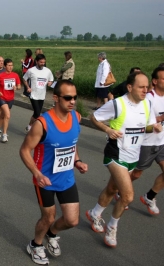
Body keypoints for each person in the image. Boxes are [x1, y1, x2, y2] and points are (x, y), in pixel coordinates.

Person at [86, 72, 161, 247]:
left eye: (147, 87)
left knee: (112, 188)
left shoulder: (147, 103)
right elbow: (94, 118)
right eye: (141, 87)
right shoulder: (117, 104)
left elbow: (146, 128)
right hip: (115, 154)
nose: (146, 90)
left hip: (133, 155)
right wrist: (107, 130)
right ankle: (112, 228)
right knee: (127, 196)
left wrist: (154, 128)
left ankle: (94, 213)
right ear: (129, 87)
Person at [20, 80, 88, 265]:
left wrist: (78, 161)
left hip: (66, 178)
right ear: (56, 98)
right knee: (48, 216)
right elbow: (24, 150)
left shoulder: (77, 118)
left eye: (74, 97)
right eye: (68, 98)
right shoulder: (42, 124)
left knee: (72, 220)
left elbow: (72, 144)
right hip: (45, 180)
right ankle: (35, 244)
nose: (72, 101)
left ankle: (52, 233)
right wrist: (37, 173)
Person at [128, 67, 164, 215]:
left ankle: (149, 196)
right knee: (136, 174)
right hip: (146, 143)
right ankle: (120, 189)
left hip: (161, 142)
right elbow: (139, 119)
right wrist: (160, 119)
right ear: (155, 81)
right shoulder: (148, 98)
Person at [23, 54, 54, 132]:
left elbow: (51, 79)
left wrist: (50, 83)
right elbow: (24, 79)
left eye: (44, 62)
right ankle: (36, 129)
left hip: (42, 95)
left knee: (36, 113)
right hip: (33, 95)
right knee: (37, 113)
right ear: (36, 61)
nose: (42, 64)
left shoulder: (47, 71)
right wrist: (28, 87)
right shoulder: (31, 70)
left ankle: (29, 125)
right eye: (41, 62)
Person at [0, 59, 21, 142]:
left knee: (3, 115)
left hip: (10, 98)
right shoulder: (0, 76)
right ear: (5, 66)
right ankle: (4, 134)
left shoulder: (15, 75)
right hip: (2, 98)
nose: (10, 67)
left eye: (12, 65)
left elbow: (19, 86)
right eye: (9, 65)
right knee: (7, 115)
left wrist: (16, 88)